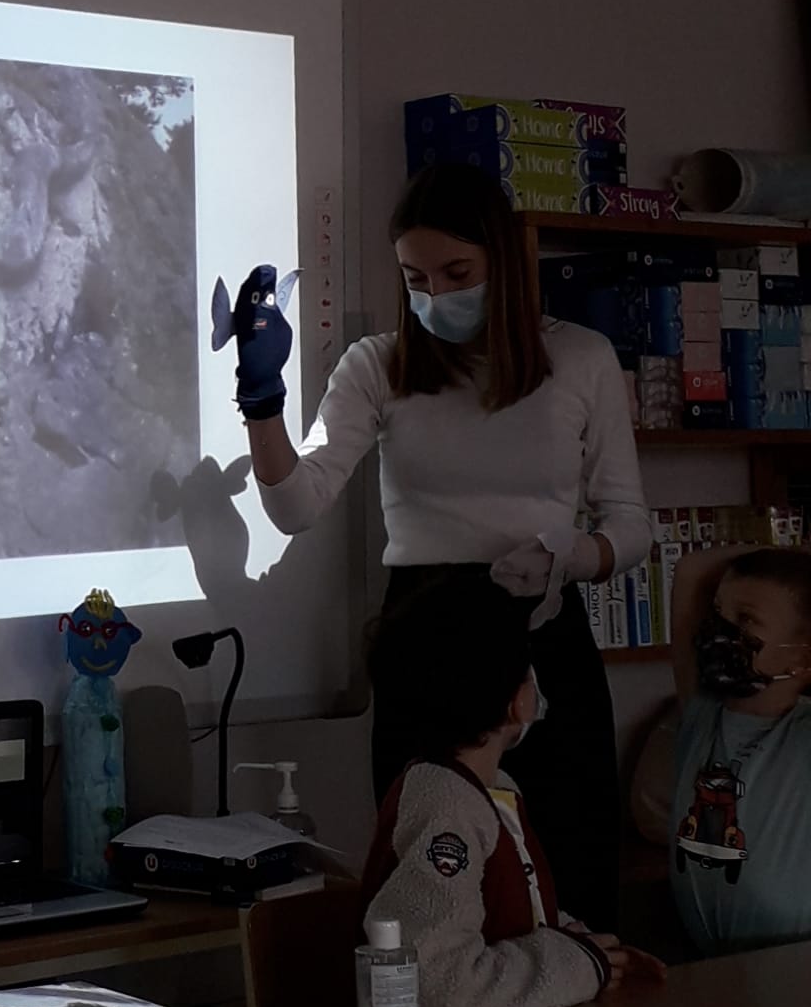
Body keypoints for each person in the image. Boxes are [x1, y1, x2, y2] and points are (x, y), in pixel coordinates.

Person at [229, 162, 650, 928]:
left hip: (540, 629)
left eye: (457, 273)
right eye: (415, 278)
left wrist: (570, 556)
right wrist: (262, 402)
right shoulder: (377, 364)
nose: (436, 296)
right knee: (429, 886)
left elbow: (629, 525)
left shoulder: (581, 359)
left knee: (571, 874)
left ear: (504, 262)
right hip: (422, 636)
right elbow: (294, 506)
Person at [360, 573, 665, 1007]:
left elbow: (517, 912)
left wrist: (589, 950)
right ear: (518, 702)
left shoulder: (490, 790)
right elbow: (438, 981)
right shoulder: (446, 806)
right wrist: (577, 965)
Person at [663, 545, 811, 954]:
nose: (721, 630)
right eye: (718, 612)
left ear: (802, 658)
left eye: (746, 619)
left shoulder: (803, 735)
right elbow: (690, 570)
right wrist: (790, 553)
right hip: (711, 963)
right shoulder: (702, 714)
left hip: (791, 964)